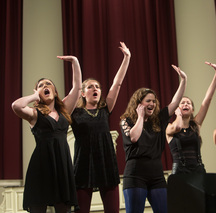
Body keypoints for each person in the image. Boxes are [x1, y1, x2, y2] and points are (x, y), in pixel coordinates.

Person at [11, 56, 82, 213]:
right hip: (41, 167)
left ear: (55, 92)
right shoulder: (35, 113)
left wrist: (75, 62)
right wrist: (34, 96)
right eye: (41, 86)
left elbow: (77, 88)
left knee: (64, 209)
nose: (45, 86)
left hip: (62, 166)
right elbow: (16, 105)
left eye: (48, 84)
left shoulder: (65, 111)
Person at [70, 42, 130, 213]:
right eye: (90, 87)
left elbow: (117, 84)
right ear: (82, 93)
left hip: (106, 161)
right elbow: (73, 90)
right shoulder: (74, 112)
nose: (95, 89)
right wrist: (75, 64)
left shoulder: (105, 109)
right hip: (83, 163)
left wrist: (127, 58)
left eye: (97, 87)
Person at [119, 65, 187, 213]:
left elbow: (175, 101)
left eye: (154, 101)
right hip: (135, 174)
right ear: (138, 103)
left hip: (156, 174)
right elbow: (134, 137)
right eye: (148, 101)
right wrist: (141, 117)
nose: (152, 104)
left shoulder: (159, 119)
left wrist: (183, 80)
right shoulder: (127, 120)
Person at [166, 62, 216, 175]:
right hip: (180, 171)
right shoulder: (169, 127)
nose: (185, 105)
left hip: (198, 169)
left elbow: (207, 100)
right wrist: (179, 115)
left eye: (188, 103)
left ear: (192, 110)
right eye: (182, 103)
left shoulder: (195, 124)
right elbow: (177, 127)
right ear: (176, 107)